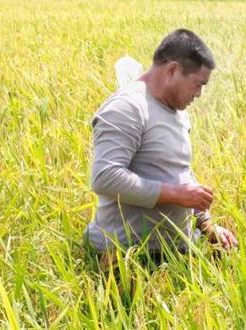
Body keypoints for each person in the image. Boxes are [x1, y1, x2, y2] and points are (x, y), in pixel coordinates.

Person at [84, 29, 237, 262]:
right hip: (127, 257)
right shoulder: (128, 108)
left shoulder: (177, 111)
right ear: (172, 71)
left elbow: (179, 172)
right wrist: (175, 194)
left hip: (176, 251)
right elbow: (105, 177)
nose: (200, 94)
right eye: (198, 84)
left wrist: (205, 222)